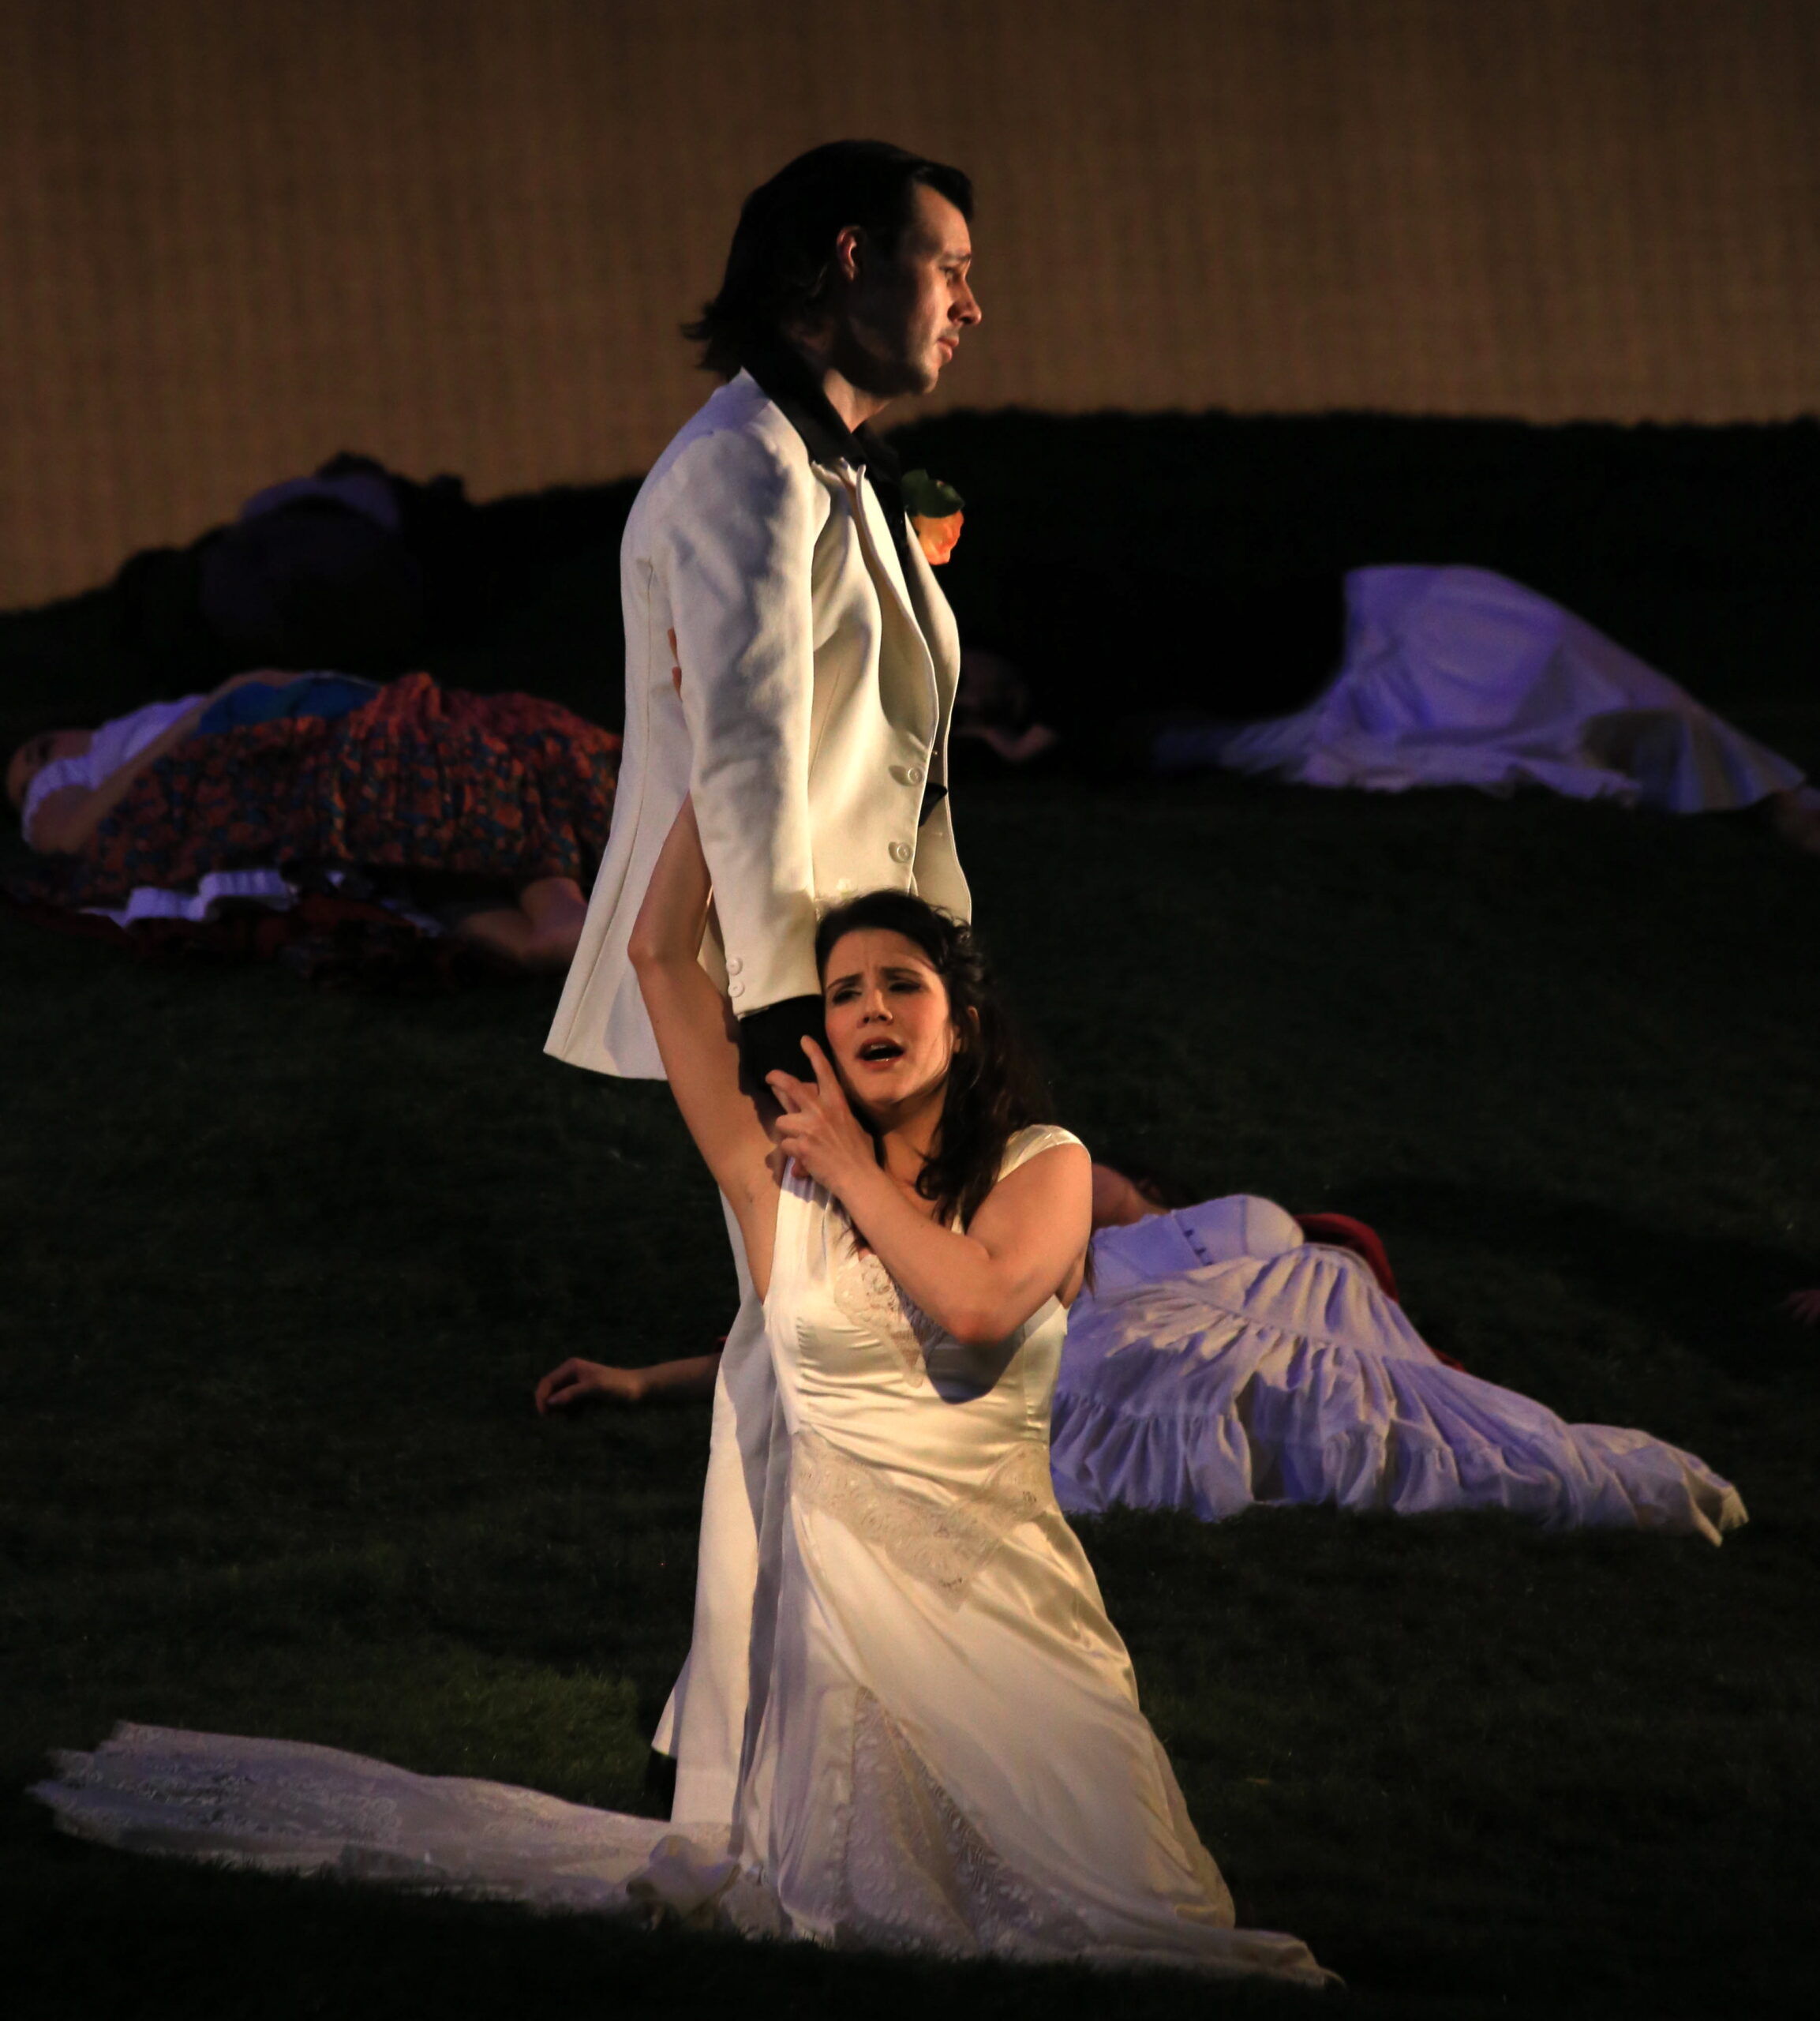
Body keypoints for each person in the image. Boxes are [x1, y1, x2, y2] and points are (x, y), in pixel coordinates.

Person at [33, 806, 1327, 1984]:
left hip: (1005, 1612)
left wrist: (848, 1166)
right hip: (844, 1627)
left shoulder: (1041, 1166)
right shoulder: (781, 1189)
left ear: (964, 1024)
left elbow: (977, 1306)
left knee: (1136, 1920)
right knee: (861, 1905)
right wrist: (712, 757)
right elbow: (660, 962)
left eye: (902, 984)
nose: (871, 1007)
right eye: (844, 991)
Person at [543, 141, 982, 1824]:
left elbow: (882, 749)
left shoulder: (828, 473)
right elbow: (741, 763)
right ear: (847, 260)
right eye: (947, 267)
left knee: (793, 1347)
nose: (969, 305)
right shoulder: (743, 471)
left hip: (860, 985)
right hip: (777, 986)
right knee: (809, 1352)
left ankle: (734, 1736)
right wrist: (797, 1029)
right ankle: (763, 1755)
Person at [543, 1164, 1746, 1544]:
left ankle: (1542, 1453)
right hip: (1170, 1339)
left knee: (1408, 1405)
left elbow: (1392, 1344)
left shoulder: (1061, 1180)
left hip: (1293, 1297)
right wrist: (644, 1382)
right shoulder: (947, 1275)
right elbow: (801, 1346)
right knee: (1306, 1409)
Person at [1146, 564, 1820, 848]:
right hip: (1386, 653)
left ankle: (1768, 800)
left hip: (1402, 639)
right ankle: (1766, 800)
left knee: (1614, 705)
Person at [6, 671, 614, 969]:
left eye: (42, 749)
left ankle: (543, 933)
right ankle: (555, 914)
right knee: (423, 773)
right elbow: (65, 835)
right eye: (30, 773)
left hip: (314, 709)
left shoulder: (119, 733)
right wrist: (204, 712)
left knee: (427, 788)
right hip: (272, 731)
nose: (42, 768)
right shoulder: (78, 774)